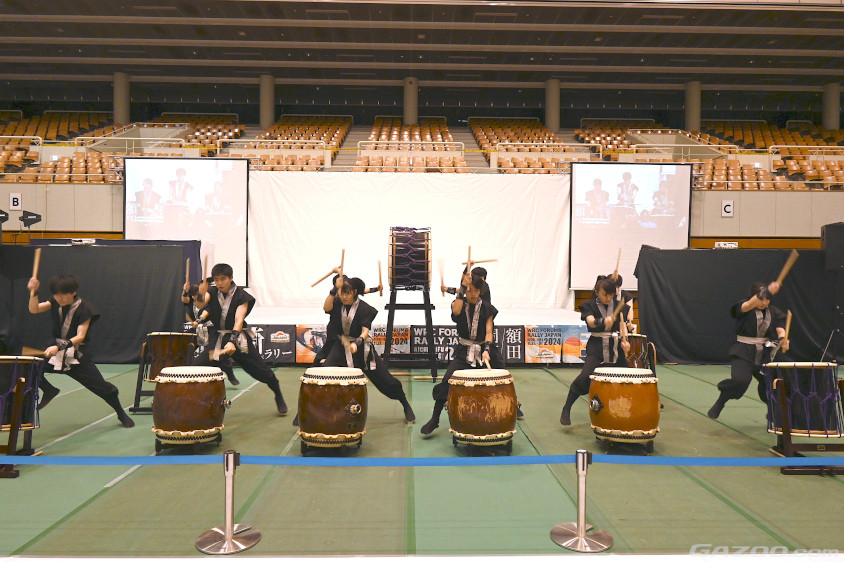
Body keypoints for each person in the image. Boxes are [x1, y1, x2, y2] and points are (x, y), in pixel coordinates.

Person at [26, 274, 134, 427]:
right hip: (56, 353)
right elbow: (34, 309)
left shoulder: (85, 308)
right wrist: (33, 292)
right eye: (56, 294)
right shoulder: (54, 301)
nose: (59, 298)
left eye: (63, 294)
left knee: (102, 388)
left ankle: (121, 414)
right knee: (30, 369)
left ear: (73, 292)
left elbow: (80, 336)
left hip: (76, 355)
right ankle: (49, 390)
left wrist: (58, 347)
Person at [191, 263, 287, 415]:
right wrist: (198, 295)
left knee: (261, 371)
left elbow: (239, 320)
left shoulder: (241, 296)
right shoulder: (212, 291)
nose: (220, 283)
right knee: (196, 366)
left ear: (231, 278)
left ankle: (278, 393)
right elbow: (201, 304)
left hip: (239, 337)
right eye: (216, 279)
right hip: (218, 338)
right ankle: (200, 404)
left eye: (223, 279)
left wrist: (232, 341)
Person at [321, 275, 415, 423]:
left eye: (347, 293)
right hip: (340, 347)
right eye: (342, 292)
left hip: (362, 349)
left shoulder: (364, 308)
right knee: (323, 374)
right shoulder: (337, 302)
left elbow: (365, 332)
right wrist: (334, 290)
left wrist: (357, 342)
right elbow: (326, 308)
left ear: (355, 292)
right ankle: (312, 410)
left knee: (387, 382)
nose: (344, 296)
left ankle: (405, 403)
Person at [421, 273, 506, 436]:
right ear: (464, 291)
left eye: (476, 291)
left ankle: (512, 407)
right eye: (470, 290)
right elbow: (456, 310)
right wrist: (462, 288)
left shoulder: (487, 307)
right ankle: (435, 418)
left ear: (480, 291)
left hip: (484, 350)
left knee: (502, 378)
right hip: (464, 350)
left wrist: (487, 349)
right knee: (447, 381)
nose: (473, 294)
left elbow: (489, 331)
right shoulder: (458, 304)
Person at [707, 280, 788, 419]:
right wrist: (768, 289)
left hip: (765, 354)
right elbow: (749, 305)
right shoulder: (743, 308)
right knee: (740, 381)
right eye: (761, 298)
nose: (763, 302)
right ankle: (721, 401)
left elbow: (780, 329)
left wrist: (783, 339)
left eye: (767, 299)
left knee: (771, 383)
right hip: (743, 351)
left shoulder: (773, 312)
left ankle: (773, 413)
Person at [560, 276, 631, 426]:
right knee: (585, 377)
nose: (608, 297)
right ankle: (566, 408)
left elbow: (622, 325)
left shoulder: (619, 305)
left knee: (628, 379)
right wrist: (603, 321)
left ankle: (626, 414)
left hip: (615, 347)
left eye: (611, 294)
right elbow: (591, 322)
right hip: (597, 347)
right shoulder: (589, 305)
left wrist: (626, 342)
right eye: (605, 294)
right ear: (596, 292)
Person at [181, 282, 239, 386]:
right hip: (199, 330)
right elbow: (185, 300)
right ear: (193, 296)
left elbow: (206, 313)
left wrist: (198, 321)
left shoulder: (208, 301)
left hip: (211, 329)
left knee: (212, 354)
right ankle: (188, 367)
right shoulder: (193, 302)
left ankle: (226, 367)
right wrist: (185, 290)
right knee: (183, 341)